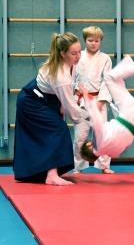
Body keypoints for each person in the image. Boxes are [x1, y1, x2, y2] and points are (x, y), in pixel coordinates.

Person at [13, 32, 88, 186]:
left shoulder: (70, 64)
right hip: (30, 102)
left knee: (55, 129)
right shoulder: (60, 75)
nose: (78, 56)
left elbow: (64, 98)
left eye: (80, 51)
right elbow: (73, 112)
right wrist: (90, 116)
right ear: (62, 53)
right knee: (58, 129)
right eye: (74, 53)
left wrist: (61, 105)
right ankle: (51, 175)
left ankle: (45, 173)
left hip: (46, 99)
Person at [79, 44, 134, 161]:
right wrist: (86, 96)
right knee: (109, 78)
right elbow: (95, 118)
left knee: (117, 83)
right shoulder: (99, 140)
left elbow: (124, 139)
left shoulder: (113, 153)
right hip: (129, 112)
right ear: (89, 144)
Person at [73, 25, 114, 174]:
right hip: (81, 100)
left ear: (100, 41)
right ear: (85, 40)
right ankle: (78, 166)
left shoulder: (105, 59)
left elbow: (108, 81)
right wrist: (72, 100)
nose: (93, 43)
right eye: (90, 40)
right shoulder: (78, 56)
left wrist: (101, 101)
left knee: (101, 135)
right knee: (80, 136)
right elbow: (72, 79)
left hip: (99, 100)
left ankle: (104, 166)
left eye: (97, 41)